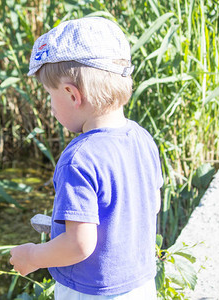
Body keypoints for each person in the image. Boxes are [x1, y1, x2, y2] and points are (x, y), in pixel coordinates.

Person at [9, 17, 163, 299]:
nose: (51, 106)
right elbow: (149, 207)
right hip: (140, 285)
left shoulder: (80, 158)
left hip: (91, 292)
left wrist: (33, 256)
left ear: (71, 94)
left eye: (50, 96)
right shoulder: (143, 139)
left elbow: (78, 245)